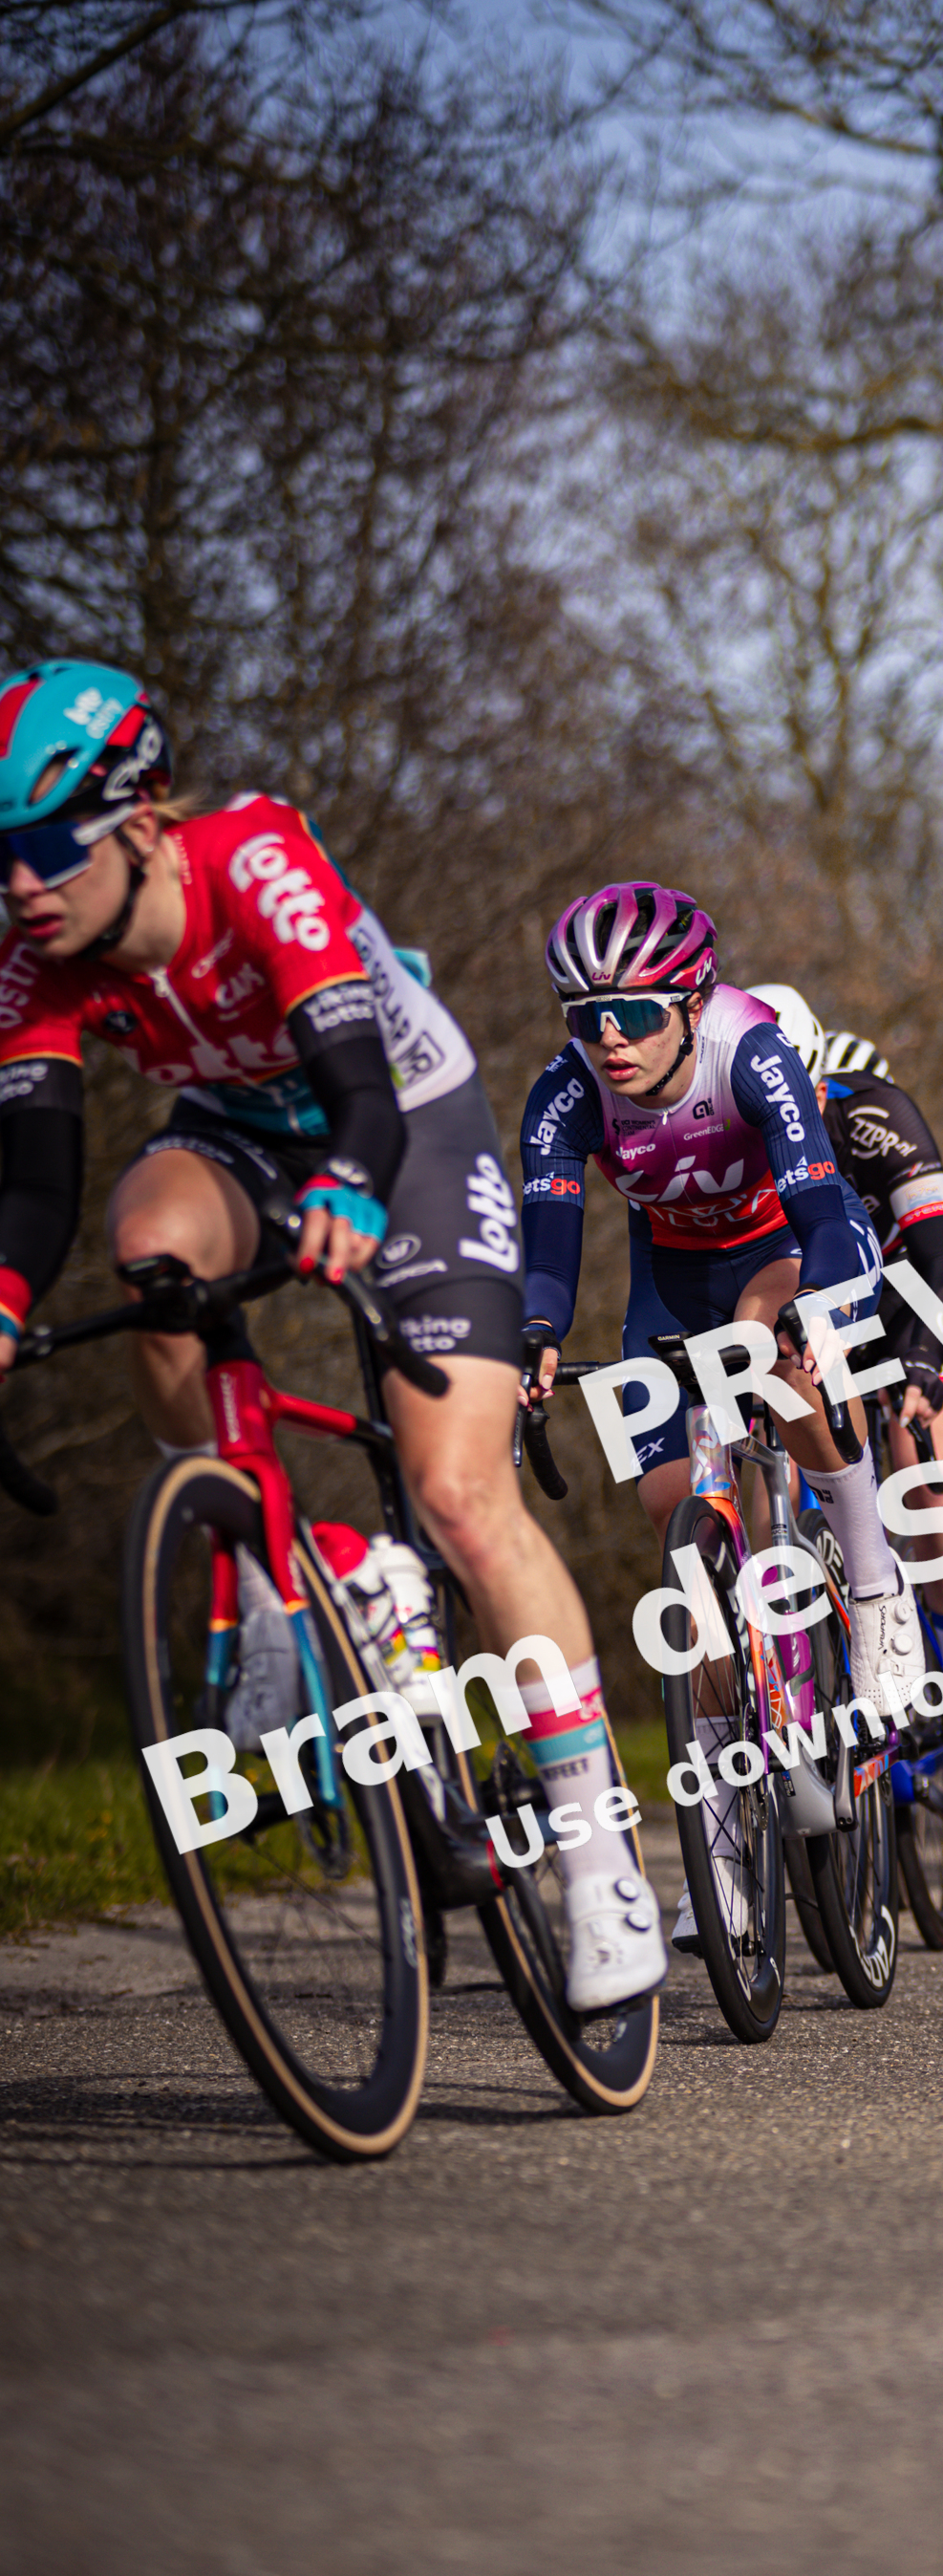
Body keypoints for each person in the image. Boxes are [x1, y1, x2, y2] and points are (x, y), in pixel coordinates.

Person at [0, 659, 666, 2010]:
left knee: (462, 1494)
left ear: (138, 824)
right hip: (239, 1142)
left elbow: (356, 1078)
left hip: (400, 1126)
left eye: (44, 849)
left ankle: (599, 1859)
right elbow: (33, 1179)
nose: (21, 885)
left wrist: (351, 1185)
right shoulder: (33, 957)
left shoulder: (256, 855)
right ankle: (265, 1584)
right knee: (148, 1235)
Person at [517, 895, 925, 1951]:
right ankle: (722, 1815)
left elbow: (825, 1199)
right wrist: (537, 1337)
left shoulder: (749, 1050)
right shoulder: (565, 1094)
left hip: (785, 1247)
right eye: (585, 1014)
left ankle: (876, 1593)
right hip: (669, 1278)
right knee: (680, 1529)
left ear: (692, 1004)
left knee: (774, 1354)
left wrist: (822, 1309)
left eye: (637, 1012)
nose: (609, 1037)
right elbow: (549, 1235)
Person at [748, 986, 943, 1833]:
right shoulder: (717, 1140)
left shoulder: (868, 1113)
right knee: (766, 1480)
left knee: (924, 1470)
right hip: (819, 1322)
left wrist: (927, 1361)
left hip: (920, 1311)